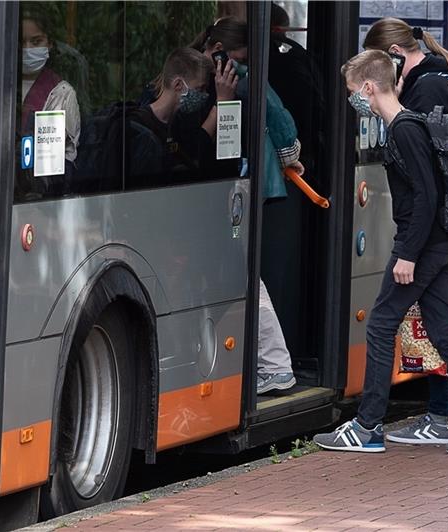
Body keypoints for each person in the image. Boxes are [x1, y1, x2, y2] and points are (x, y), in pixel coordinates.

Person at [313, 50, 448, 454]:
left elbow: (426, 197)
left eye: (354, 92)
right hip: (438, 244)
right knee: (443, 332)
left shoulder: (404, 130)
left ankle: (367, 426)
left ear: (369, 88)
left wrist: (406, 254)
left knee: (380, 323)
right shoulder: (410, 125)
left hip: (423, 246)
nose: (354, 99)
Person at [362, 17, 448, 444]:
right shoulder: (437, 75)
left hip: (435, 233)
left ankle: (442, 413)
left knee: (413, 323)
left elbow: (428, 185)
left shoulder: (423, 91)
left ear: (392, 58)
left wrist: (410, 250)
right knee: (439, 322)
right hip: (443, 230)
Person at [193, 17, 303, 394]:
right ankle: (265, 362)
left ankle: (274, 364)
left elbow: (278, 122)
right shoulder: (218, 77)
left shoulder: (241, 77)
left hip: (240, 188)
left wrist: (288, 157)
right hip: (232, 186)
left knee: (244, 277)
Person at [125, 47, 237, 188]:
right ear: (178, 85)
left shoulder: (179, 123)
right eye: (200, 89)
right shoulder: (138, 128)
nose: (205, 95)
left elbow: (198, 149)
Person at [15, 9, 81, 199]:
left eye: (36, 42)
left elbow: (57, 161)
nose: (27, 49)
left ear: (50, 43)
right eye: (21, 42)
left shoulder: (61, 94)